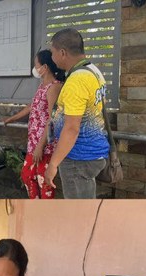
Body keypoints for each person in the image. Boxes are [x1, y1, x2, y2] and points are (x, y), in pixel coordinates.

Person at [44, 28, 109, 198]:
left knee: (78, 212)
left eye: (53, 52)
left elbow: (72, 128)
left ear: (63, 53)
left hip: (78, 159)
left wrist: (53, 165)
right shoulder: (93, 70)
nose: (52, 57)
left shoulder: (77, 80)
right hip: (89, 153)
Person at [2, 50, 65, 199]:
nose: (34, 69)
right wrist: (12, 118)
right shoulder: (43, 85)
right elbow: (32, 106)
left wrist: (40, 146)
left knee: (44, 182)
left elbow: (53, 119)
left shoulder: (54, 87)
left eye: (36, 65)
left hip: (44, 145)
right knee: (28, 176)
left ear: (45, 67)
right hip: (34, 142)